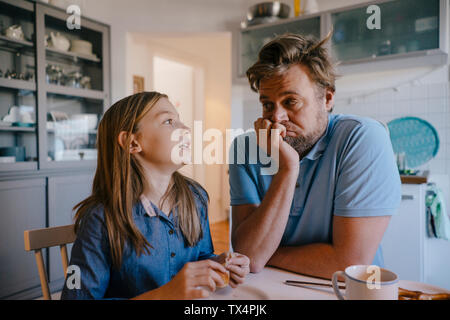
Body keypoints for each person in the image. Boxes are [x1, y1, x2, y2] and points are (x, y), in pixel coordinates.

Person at [229, 32, 401, 280]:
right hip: (270, 287)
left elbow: (349, 264)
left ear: (328, 98)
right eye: (267, 104)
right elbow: (247, 254)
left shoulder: (362, 138)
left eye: (291, 101)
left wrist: (264, 254)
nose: (277, 117)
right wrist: (287, 170)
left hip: (347, 292)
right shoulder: (244, 148)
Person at [61, 92, 249, 299]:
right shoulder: (98, 219)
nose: (185, 130)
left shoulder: (196, 197)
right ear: (132, 143)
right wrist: (164, 295)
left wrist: (219, 264)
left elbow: (202, 256)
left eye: (180, 120)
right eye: (169, 121)